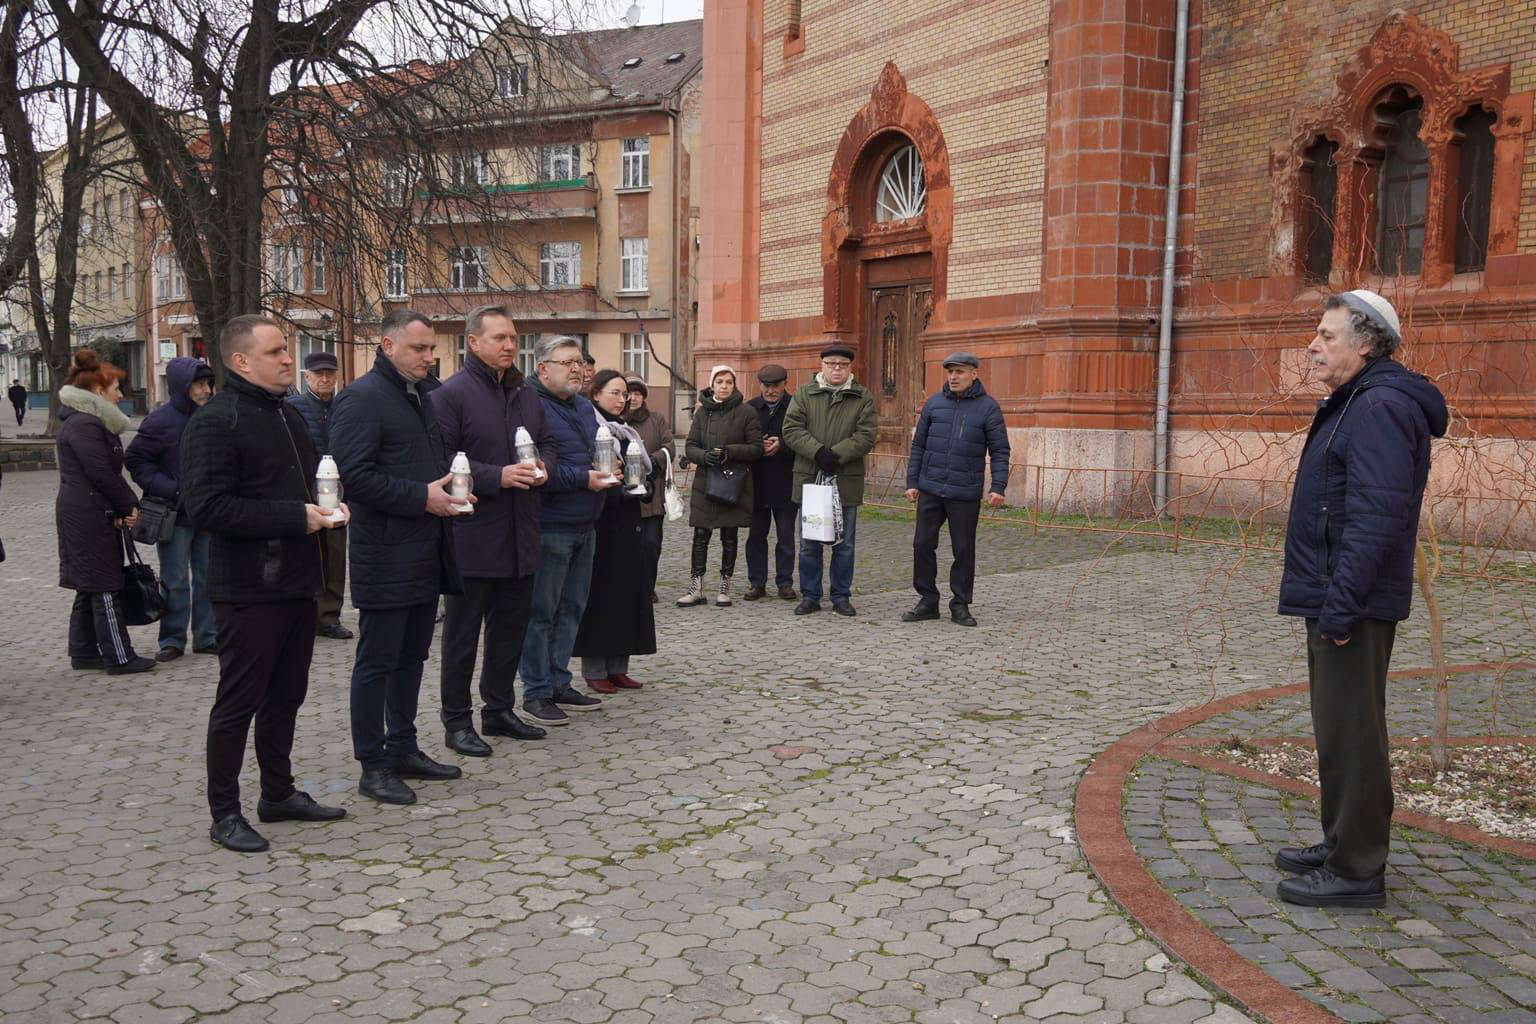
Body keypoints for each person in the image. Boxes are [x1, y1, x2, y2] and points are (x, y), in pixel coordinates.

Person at [1274, 290, 1447, 909]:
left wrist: (1341, 606)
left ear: (1366, 343)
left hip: (1351, 601)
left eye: (1326, 335)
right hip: (1335, 594)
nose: (1312, 345)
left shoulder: (1378, 408)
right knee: (1338, 727)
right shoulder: (1357, 401)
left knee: (1354, 733)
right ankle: (1341, 840)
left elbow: (1377, 518)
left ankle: (1357, 871)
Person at [180, 315, 349, 852]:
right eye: (276, 351)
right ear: (240, 361)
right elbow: (206, 507)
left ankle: (277, 793)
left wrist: (329, 508)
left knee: (286, 697)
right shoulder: (215, 421)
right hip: (248, 588)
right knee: (238, 701)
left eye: (286, 350)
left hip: (299, 581)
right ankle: (224, 813)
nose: (287, 359)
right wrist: (292, 517)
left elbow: (305, 488)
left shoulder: (289, 415)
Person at [331, 309, 468, 806]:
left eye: (432, 349)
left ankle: (404, 746)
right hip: (385, 551)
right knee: (378, 660)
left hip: (425, 548)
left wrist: (449, 490)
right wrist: (420, 497)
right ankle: (373, 764)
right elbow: (356, 475)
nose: (430, 358)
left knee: (413, 656)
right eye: (420, 349)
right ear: (388, 347)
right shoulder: (362, 398)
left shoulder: (421, 396)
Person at [433, 305, 554, 755]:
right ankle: (457, 721)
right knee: (463, 635)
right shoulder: (451, 395)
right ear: (474, 342)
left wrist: (545, 467)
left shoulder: (525, 394)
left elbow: (551, 443)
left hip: (521, 532)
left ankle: (499, 709)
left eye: (512, 337)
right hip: (473, 535)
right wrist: (496, 476)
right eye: (500, 338)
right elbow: (441, 459)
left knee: (510, 630)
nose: (509, 345)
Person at [519, 335, 619, 727]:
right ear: (543, 369)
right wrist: (583, 479)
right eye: (567, 362)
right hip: (550, 524)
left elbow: (595, 452)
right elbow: (536, 468)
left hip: (585, 522)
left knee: (572, 608)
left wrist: (609, 471)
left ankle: (560, 681)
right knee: (541, 612)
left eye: (579, 362)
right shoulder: (529, 406)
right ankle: (537, 691)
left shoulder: (581, 406)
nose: (577, 369)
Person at [55, 349, 153, 675]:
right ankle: (119, 656)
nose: (121, 394)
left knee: (90, 583)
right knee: (105, 583)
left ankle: (82, 651)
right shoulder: (84, 425)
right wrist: (129, 504)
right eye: (115, 388)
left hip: (89, 509)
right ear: (98, 391)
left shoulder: (87, 422)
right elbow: (100, 473)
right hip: (87, 513)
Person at [901, 352, 1010, 628]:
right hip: (931, 488)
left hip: (965, 491)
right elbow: (919, 446)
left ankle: (960, 604)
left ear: (974, 373)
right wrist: (912, 482)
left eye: (960, 371)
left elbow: (999, 450)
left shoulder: (988, 408)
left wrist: (998, 486)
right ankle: (927, 601)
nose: (953, 377)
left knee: (963, 549)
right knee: (922, 544)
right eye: (950, 371)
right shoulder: (934, 404)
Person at [125, 356, 219, 661]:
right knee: (175, 580)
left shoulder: (216, 415)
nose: (206, 390)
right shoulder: (160, 420)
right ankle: (172, 639)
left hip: (209, 511)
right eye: (199, 384)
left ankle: (206, 636)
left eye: (208, 383)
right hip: (175, 514)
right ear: (183, 387)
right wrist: (172, 488)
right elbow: (136, 461)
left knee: (208, 578)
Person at [574, 370, 660, 692]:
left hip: (628, 523)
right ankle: (595, 669)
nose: (622, 399)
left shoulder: (626, 432)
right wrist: (617, 491)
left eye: (624, 393)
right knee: (601, 597)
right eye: (614, 392)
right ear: (595, 394)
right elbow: (592, 473)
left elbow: (641, 472)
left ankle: (618, 666)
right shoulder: (590, 429)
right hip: (602, 523)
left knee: (627, 594)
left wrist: (644, 487)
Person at [782, 344, 877, 617]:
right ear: (822, 365)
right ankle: (811, 595)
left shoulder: (862, 397)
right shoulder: (804, 393)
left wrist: (837, 454)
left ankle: (841, 596)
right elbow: (791, 429)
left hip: (844, 478)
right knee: (809, 542)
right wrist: (817, 452)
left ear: (850, 368)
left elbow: (867, 433)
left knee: (844, 543)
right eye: (831, 364)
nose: (836, 368)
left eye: (842, 365)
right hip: (811, 479)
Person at [679, 365, 762, 607]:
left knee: (729, 535)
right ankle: (697, 588)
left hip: (733, 482)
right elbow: (690, 445)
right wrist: (704, 457)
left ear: (734, 385)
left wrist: (730, 451)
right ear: (712, 385)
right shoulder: (702, 412)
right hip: (706, 481)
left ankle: (724, 587)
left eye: (728, 381)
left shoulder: (747, 413)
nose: (724, 386)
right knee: (700, 535)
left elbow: (756, 448)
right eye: (719, 381)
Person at [287, 350, 352, 641]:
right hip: (304, 490)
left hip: (338, 491)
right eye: (319, 374)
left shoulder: (346, 407)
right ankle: (303, 614)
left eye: (330, 373)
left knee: (336, 556)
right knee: (306, 554)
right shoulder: (293, 407)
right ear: (307, 376)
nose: (325, 379)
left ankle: (329, 616)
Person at [744, 363, 797, 601]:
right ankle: (757, 582)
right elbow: (741, 439)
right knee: (756, 536)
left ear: (785, 384)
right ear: (760, 385)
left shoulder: (796, 407)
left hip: (786, 482)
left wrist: (782, 445)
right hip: (757, 483)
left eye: (775, 386)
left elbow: (803, 437)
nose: (771, 391)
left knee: (786, 536)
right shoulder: (750, 408)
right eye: (766, 386)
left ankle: (785, 583)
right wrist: (758, 447)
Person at [623, 376, 672, 603]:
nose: (633, 397)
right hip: (625, 495)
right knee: (627, 546)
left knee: (651, 544)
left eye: (638, 393)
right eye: (629, 393)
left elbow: (669, 447)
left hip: (652, 495)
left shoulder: (656, 419)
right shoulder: (617, 421)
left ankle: (648, 587)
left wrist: (651, 460)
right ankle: (629, 587)